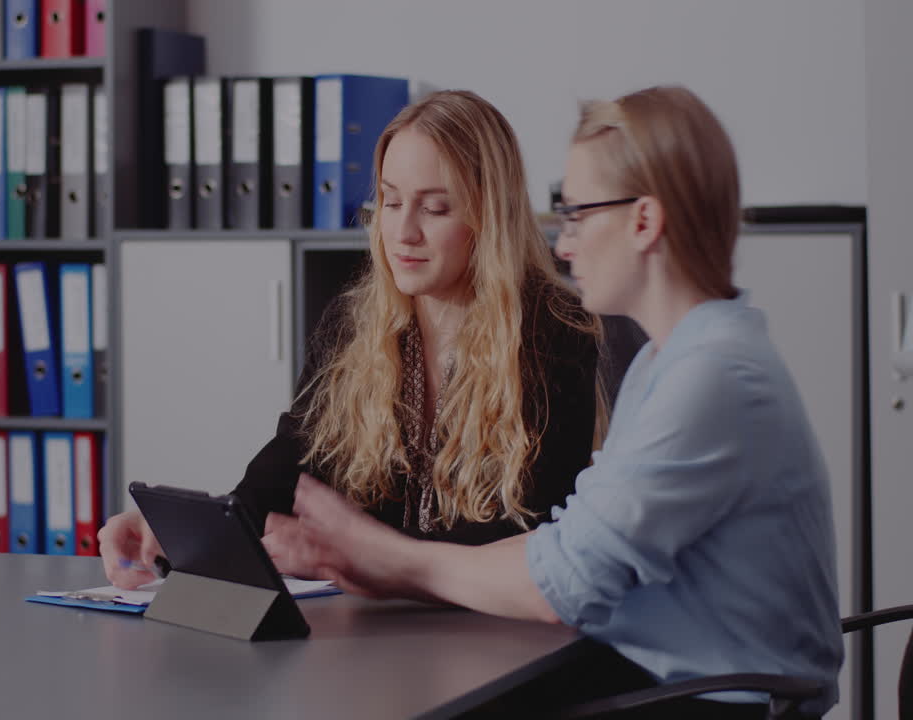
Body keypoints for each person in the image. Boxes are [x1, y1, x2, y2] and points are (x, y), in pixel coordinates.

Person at [262, 85, 845, 719]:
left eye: (576, 215)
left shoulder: (712, 378)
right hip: (650, 674)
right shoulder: (667, 362)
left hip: (712, 700)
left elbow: (563, 584)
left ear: (643, 221)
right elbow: (565, 543)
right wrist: (368, 555)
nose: (563, 246)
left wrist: (384, 557)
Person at [99, 89, 603, 591]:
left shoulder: (553, 330)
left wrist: (347, 552)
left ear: (488, 217)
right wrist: (179, 535)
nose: (402, 231)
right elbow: (282, 475)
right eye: (391, 200)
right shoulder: (355, 323)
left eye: (434, 208)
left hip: (497, 632)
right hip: (373, 634)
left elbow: (528, 534)